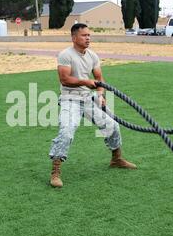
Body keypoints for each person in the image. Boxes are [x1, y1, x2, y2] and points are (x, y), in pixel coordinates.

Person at [49, 23, 137, 188]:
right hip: (70, 99)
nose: (88, 38)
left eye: (89, 35)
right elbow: (64, 79)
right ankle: (55, 171)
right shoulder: (65, 55)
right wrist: (85, 81)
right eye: (84, 35)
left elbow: (99, 78)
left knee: (113, 125)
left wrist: (100, 94)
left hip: (89, 98)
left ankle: (116, 159)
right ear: (74, 38)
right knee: (67, 131)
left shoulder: (92, 55)